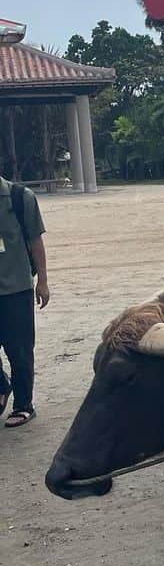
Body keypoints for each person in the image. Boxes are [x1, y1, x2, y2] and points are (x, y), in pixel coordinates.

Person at [0, 175, 50, 428]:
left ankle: (23, 405)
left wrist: (42, 280)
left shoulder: (20, 198)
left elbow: (35, 242)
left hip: (15, 289)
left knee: (19, 350)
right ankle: (1, 386)